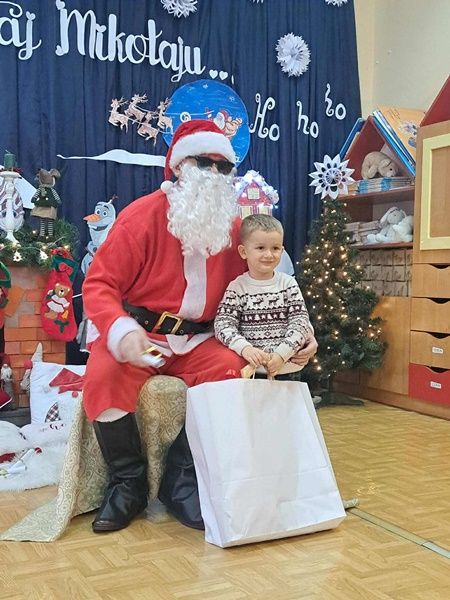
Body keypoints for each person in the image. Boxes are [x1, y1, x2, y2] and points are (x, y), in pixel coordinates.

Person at [82, 119, 318, 534]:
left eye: (223, 167)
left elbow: (266, 287)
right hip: (144, 337)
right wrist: (120, 329)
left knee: (234, 370)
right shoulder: (141, 218)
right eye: (204, 163)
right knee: (104, 373)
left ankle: (181, 478)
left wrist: (297, 335)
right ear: (179, 166)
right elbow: (99, 284)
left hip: (202, 339)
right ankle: (128, 484)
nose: (214, 174)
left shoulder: (236, 231)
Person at [215, 214, 312, 378]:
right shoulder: (237, 287)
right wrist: (245, 348)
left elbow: (300, 323)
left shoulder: (288, 284)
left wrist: (281, 354)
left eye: (275, 248)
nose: (269, 254)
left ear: (282, 250)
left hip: (288, 371)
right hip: (252, 372)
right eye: (260, 248)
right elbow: (223, 325)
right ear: (243, 252)